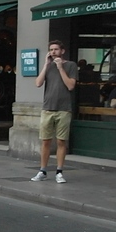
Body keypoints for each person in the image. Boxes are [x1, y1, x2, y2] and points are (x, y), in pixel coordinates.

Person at [30, 40, 78, 184]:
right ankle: (42, 170)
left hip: (64, 109)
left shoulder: (71, 65)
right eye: (51, 50)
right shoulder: (48, 66)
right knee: (45, 141)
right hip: (47, 108)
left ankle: (59, 171)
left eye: (56, 49)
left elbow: (70, 86)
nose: (53, 52)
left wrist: (60, 68)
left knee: (61, 141)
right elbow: (38, 83)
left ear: (62, 51)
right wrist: (46, 65)